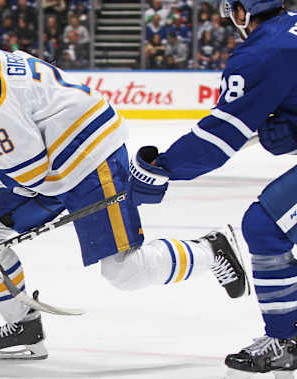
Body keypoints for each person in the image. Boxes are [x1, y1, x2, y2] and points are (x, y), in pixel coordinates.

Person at [0, 7, 248, 361]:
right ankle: (24, 328)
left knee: (124, 270)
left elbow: (28, 168)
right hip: (55, 159)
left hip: (90, 157)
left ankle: (211, 250)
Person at [126, 0, 297, 376]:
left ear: (241, 12)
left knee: (265, 226)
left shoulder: (262, 54)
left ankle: (287, 340)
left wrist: (163, 167)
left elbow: (216, 141)